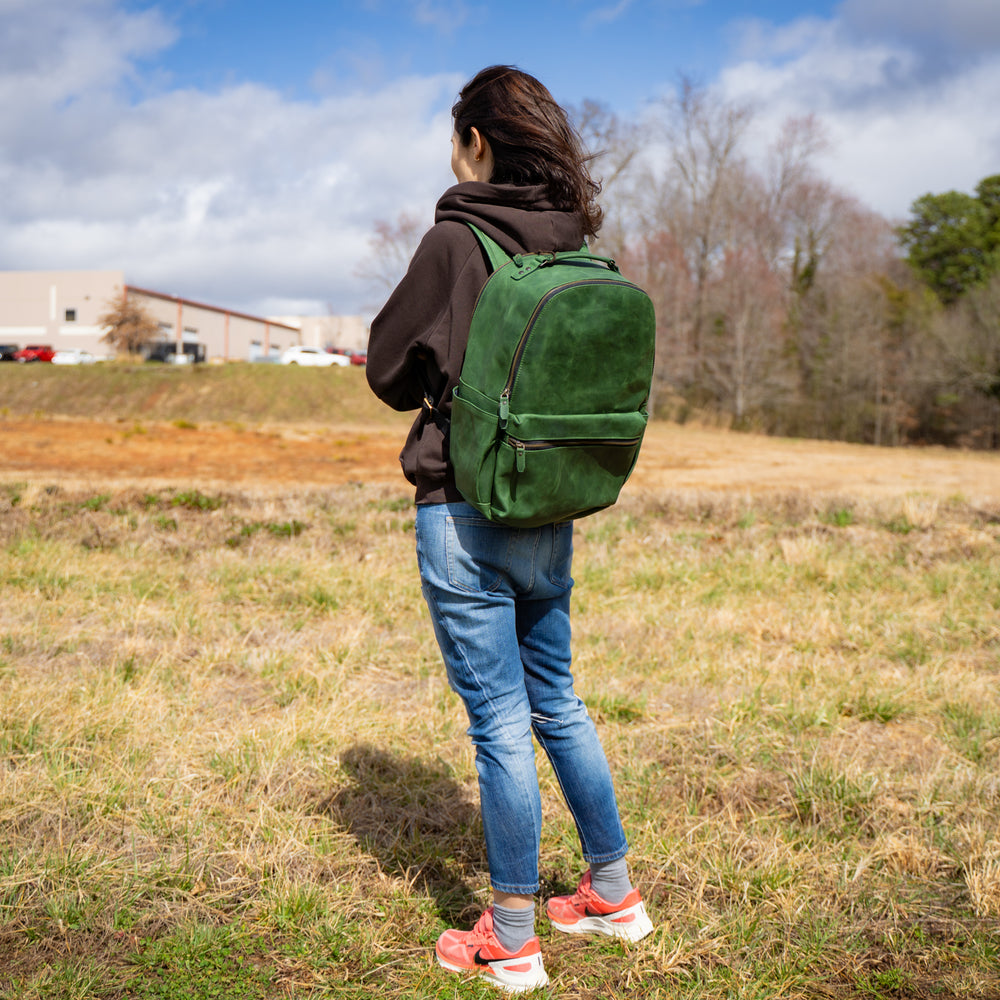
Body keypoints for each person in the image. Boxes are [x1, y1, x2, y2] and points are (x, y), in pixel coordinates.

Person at [366, 65, 653, 992]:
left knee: (497, 721)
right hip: (548, 504)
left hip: (462, 509)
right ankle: (612, 893)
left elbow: (386, 367)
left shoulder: (457, 242)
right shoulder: (572, 244)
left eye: (456, 141)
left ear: (476, 144)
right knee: (557, 703)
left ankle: (512, 936)